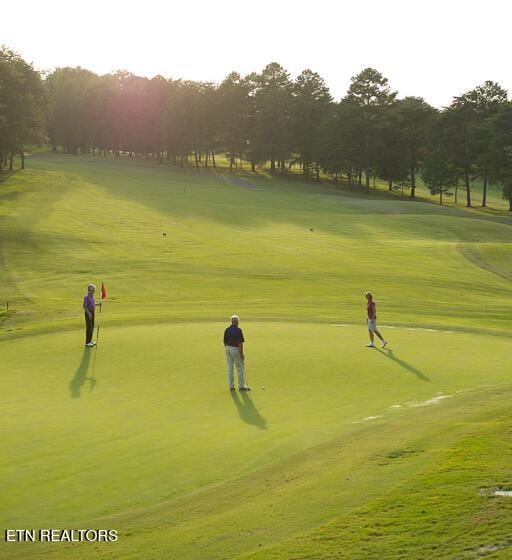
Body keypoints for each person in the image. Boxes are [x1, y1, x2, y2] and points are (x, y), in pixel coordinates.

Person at [223, 315, 250, 391]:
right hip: (235, 349)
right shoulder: (238, 330)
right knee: (240, 367)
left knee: (230, 368)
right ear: (237, 322)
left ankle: (231, 386)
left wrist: (228, 349)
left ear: (232, 322)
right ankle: (241, 386)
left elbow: (224, 342)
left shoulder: (227, 329)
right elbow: (240, 344)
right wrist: (241, 354)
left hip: (228, 348)